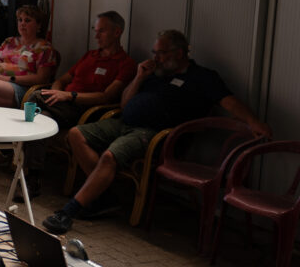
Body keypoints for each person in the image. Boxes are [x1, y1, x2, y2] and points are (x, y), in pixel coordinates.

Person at [42, 30, 271, 234]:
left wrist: (254, 122)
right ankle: (103, 196)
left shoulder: (202, 77)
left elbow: (229, 103)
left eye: (161, 53)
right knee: (76, 134)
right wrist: (140, 77)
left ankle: (69, 211)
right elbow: (124, 103)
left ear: (180, 53)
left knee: (110, 156)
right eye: (154, 52)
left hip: (155, 133)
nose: (156, 58)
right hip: (124, 122)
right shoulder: (155, 73)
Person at [20, 11, 137, 198]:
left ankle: (10, 151)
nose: (96, 36)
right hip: (60, 104)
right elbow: (63, 79)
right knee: (39, 120)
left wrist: (69, 95)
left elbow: (107, 97)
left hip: (84, 110)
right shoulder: (90, 55)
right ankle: (33, 178)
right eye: (96, 31)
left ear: (117, 32)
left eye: (102, 31)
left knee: (34, 98)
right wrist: (56, 90)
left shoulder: (126, 63)